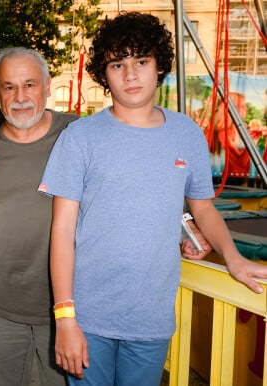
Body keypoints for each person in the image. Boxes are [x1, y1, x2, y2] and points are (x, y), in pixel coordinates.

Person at [38, 12, 267, 386]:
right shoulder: (80, 137)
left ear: (159, 66)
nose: (130, 75)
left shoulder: (186, 133)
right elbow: (61, 232)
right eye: (118, 64)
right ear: (104, 72)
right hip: (88, 316)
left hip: (151, 316)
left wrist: (234, 258)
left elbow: (203, 208)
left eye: (141, 61)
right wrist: (65, 317)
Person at [0, 47, 78, 386]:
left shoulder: (78, 135)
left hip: (63, 309)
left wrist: (183, 230)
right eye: (9, 87)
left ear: (47, 84)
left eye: (29, 84)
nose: (21, 97)